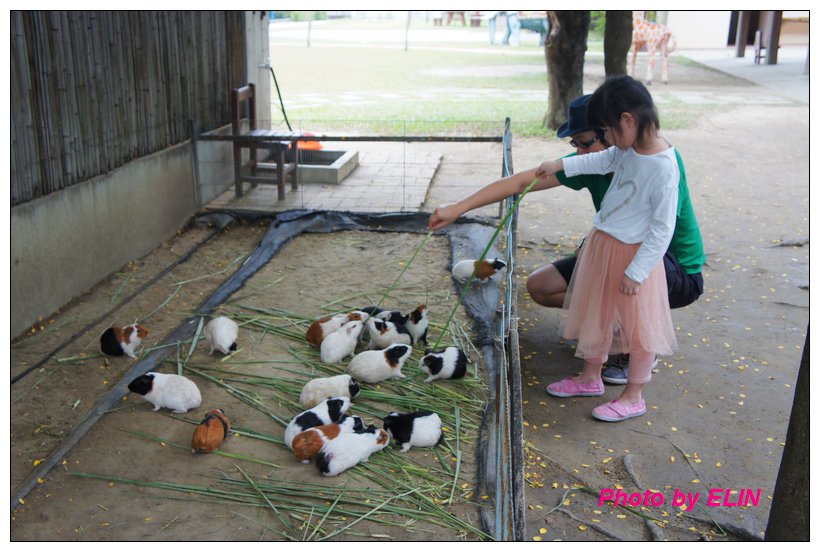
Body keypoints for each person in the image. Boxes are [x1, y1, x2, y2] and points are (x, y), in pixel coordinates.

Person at [528, 95, 705, 385]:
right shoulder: (626, 150)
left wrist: (636, 273)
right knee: (598, 300)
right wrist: (559, 165)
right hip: (610, 246)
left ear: (628, 120)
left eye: (608, 130)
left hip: (645, 258)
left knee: (631, 311)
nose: (608, 139)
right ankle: (591, 376)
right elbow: (604, 159)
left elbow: (662, 229)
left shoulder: (663, 166)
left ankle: (633, 386)